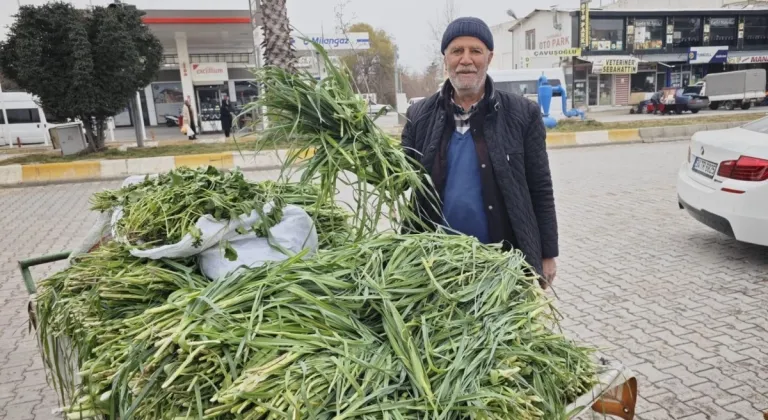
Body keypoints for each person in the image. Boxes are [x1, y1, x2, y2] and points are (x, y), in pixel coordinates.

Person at [401, 17, 558, 288]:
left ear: (489, 57)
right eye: (457, 51)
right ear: (445, 58)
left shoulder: (522, 114)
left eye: (475, 51)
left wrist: (547, 253)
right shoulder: (419, 115)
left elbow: (540, 187)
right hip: (435, 264)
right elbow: (400, 178)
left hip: (502, 260)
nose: (466, 60)